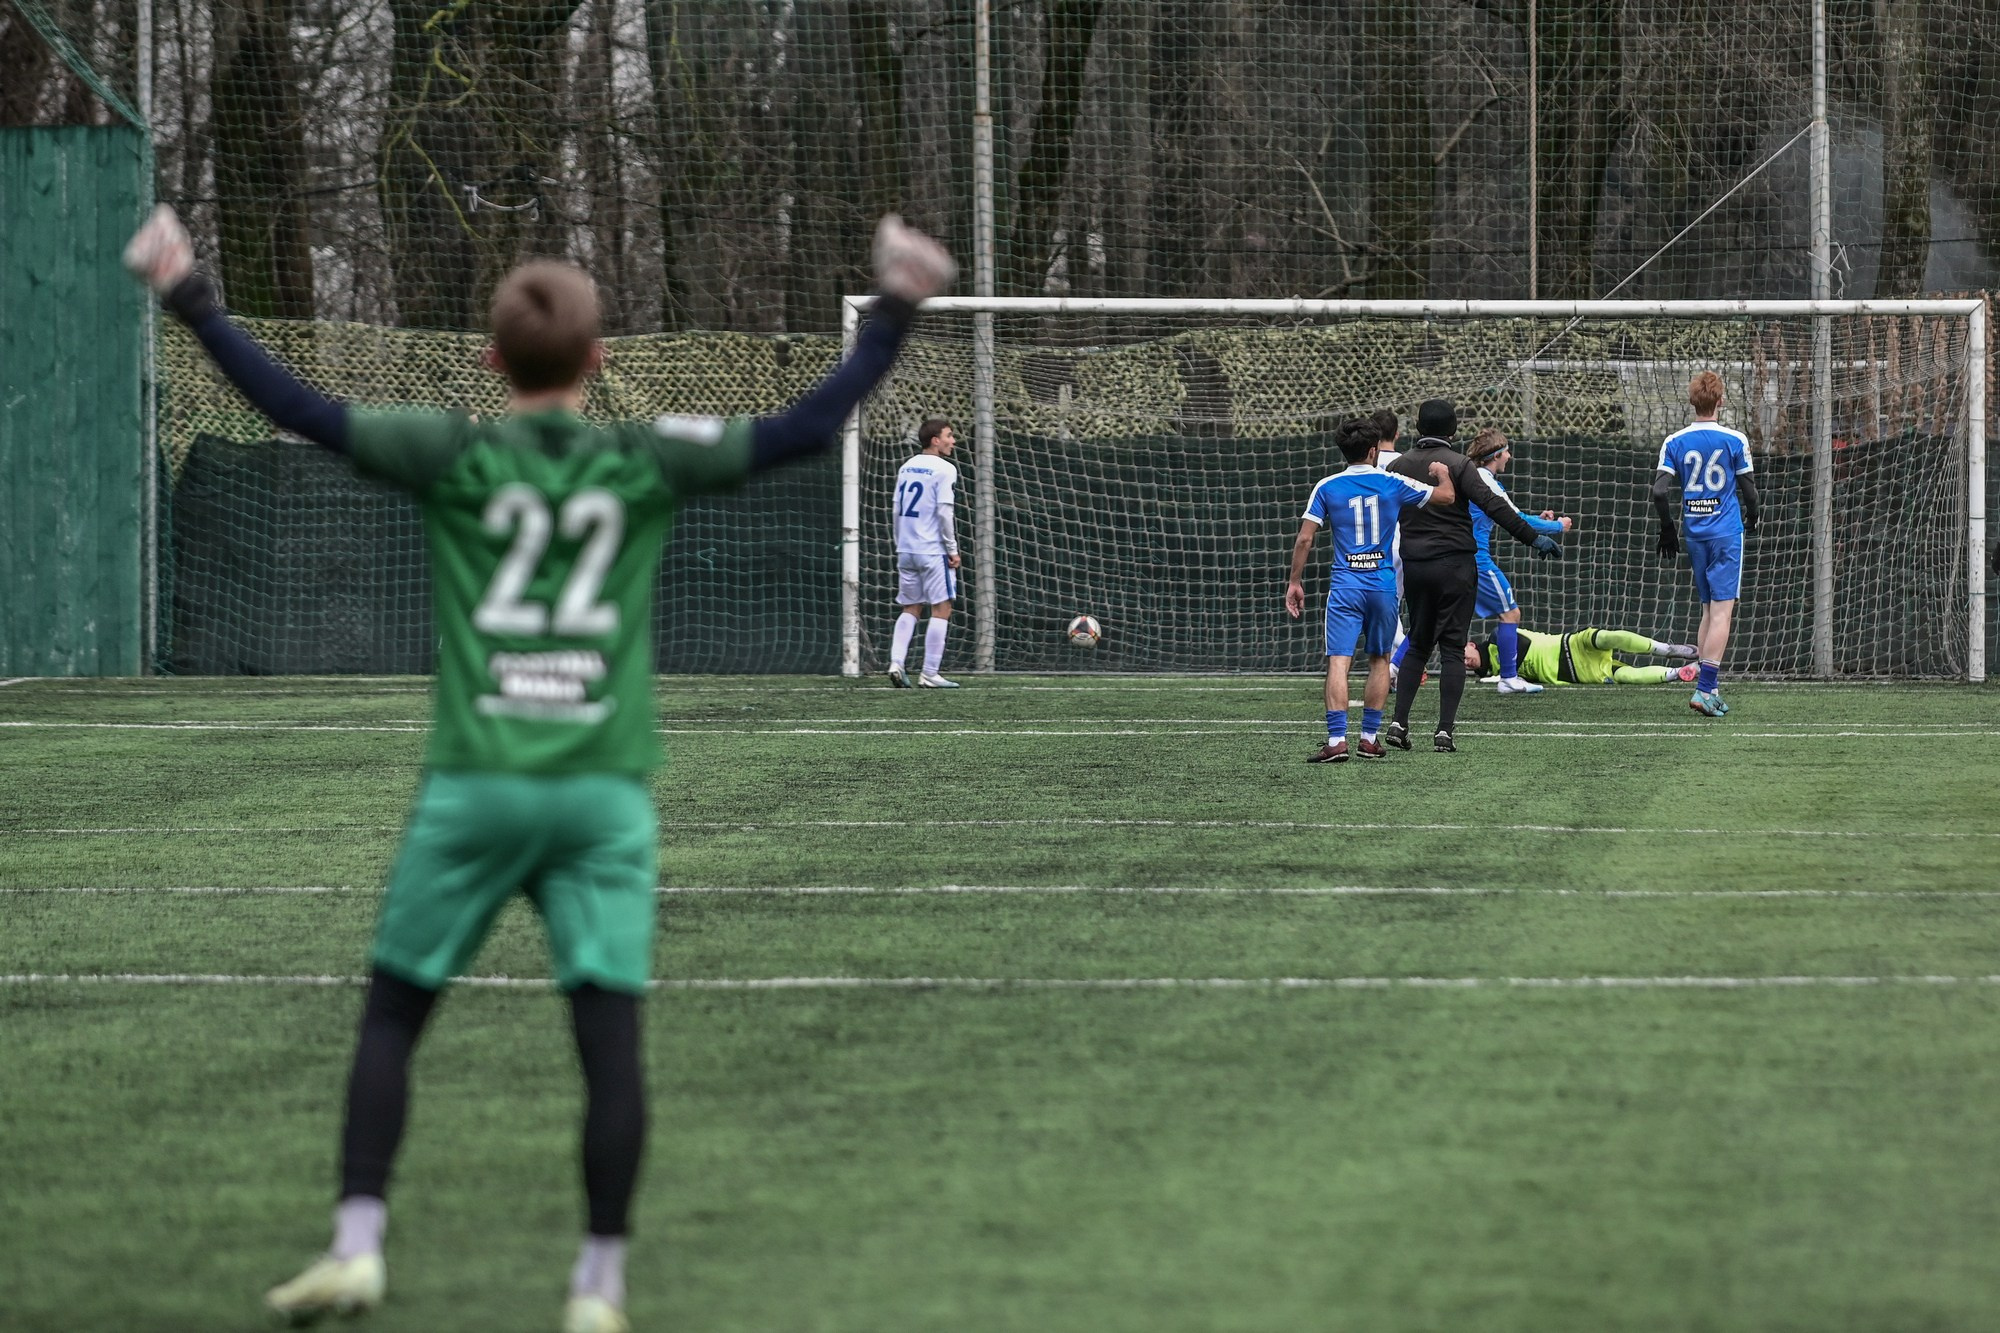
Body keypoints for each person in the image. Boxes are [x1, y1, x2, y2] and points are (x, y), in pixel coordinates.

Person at [124, 205, 956, 1333]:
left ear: (488, 360)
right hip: (600, 793)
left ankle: (357, 1245)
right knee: (606, 1042)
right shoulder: (640, 458)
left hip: (475, 783)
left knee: (393, 1016)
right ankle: (597, 1286)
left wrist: (189, 294)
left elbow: (295, 407)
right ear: (599, 360)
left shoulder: (454, 452)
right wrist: (895, 307)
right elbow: (808, 427)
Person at [1384, 400, 1563, 752]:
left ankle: (1398, 723)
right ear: (1453, 430)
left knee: (1419, 643)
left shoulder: (1398, 465)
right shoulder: (1459, 464)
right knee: (1453, 647)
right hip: (1456, 566)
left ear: (1418, 428)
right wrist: (1534, 538)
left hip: (1416, 565)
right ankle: (1444, 732)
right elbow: (1494, 506)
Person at [1286, 417, 1454, 761]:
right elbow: (1446, 496)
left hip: (1345, 587)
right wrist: (1442, 473)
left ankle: (1336, 741)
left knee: (1339, 661)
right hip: (1382, 587)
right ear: (1374, 450)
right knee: (1380, 660)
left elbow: (1305, 538)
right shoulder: (1392, 482)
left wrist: (1294, 582)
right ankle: (1368, 739)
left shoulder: (1327, 486)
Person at [1653, 371, 1758, 717]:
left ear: (1692, 400)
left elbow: (1659, 491)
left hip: (1694, 533)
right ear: (1720, 400)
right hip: (1726, 533)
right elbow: (1749, 491)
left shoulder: (1675, 441)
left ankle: (1710, 688)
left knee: (1708, 611)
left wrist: (1668, 528)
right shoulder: (1734, 439)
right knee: (1722, 612)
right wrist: (1754, 517)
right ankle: (1703, 689)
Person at [887, 417, 961, 688]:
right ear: (935, 440)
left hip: (907, 549)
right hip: (931, 549)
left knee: (911, 607)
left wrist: (900, 542)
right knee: (942, 608)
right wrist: (952, 549)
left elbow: (896, 508)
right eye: (949, 436)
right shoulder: (945, 469)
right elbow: (944, 512)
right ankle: (930, 673)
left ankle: (896, 663)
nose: (953, 441)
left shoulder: (906, 466)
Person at [1463, 625, 1699, 686]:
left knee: (1606, 637)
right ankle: (1678, 673)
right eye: (1462, 663)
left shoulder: (1497, 637)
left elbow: (1522, 643)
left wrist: (1508, 674)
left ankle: (1665, 649)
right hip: (1573, 673)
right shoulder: (1489, 676)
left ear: (1471, 644)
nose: (1466, 662)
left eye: (1463, 654)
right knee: (1625, 676)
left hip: (1569, 645)